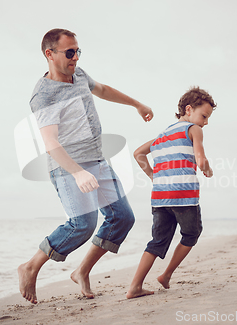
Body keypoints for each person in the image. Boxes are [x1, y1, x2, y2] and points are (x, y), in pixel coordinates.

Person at [18, 28, 153, 304]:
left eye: (78, 51)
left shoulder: (78, 74)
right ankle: (31, 266)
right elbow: (51, 143)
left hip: (97, 160)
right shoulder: (43, 95)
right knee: (82, 224)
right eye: (70, 52)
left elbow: (101, 89)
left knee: (123, 218)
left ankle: (82, 270)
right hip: (67, 166)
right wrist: (78, 172)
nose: (76, 57)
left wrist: (135, 104)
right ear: (49, 54)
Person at [126, 86, 215, 299]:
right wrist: (207, 168)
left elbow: (138, 153)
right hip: (183, 196)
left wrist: (152, 176)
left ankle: (134, 287)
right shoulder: (193, 130)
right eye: (204, 116)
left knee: (157, 242)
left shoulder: (162, 136)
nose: (205, 122)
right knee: (191, 234)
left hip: (159, 197)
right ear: (188, 109)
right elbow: (200, 160)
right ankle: (166, 275)